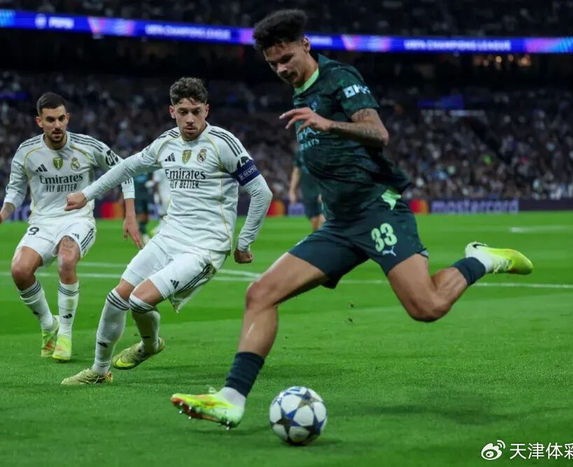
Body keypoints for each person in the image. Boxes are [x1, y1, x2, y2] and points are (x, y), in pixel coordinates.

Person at [169, 9, 534, 428]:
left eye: (286, 58)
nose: (282, 69)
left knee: (427, 307)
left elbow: (379, 134)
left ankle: (482, 259)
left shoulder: (338, 78)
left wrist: (328, 124)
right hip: (340, 225)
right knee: (260, 294)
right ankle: (231, 400)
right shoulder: (300, 95)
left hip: (377, 210)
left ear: (306, 45)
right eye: (273, 64)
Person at [61, 77, 273, 385]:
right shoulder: (166, 142)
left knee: (139, 301)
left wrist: (243, 243)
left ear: (207, 110)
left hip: (204, 247)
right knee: (116, 298)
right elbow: (127, 167)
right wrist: (86, 194)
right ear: (172, 111)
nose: (190, 119)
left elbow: (261, 192)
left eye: (196, 111)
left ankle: (148, 346)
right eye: (183, 112)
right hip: (169, 237)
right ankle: (98, 371)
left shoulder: (223, 144)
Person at [0, 92, 141, 362]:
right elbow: (16, 190)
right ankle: (49, 325)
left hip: (78, 219)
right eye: (50, 120)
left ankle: (65, 335)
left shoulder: (87, 146)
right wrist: (3, 213)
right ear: (39, 121)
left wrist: (130, 215)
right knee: (20, 270)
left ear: (67, 118)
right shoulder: (27, 152)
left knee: (66, 259)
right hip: (43, 222)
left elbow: (125, 169)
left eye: (61, 119)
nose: (57, 125)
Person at [288, 156, 324, 231]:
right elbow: (296, 172)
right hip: (307, 192)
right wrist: (292, 191)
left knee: (323, 219)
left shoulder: (323, 151)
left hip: (322, 190)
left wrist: (325, 190)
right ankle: (319, 237)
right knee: (314, 221)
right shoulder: (300, 153)